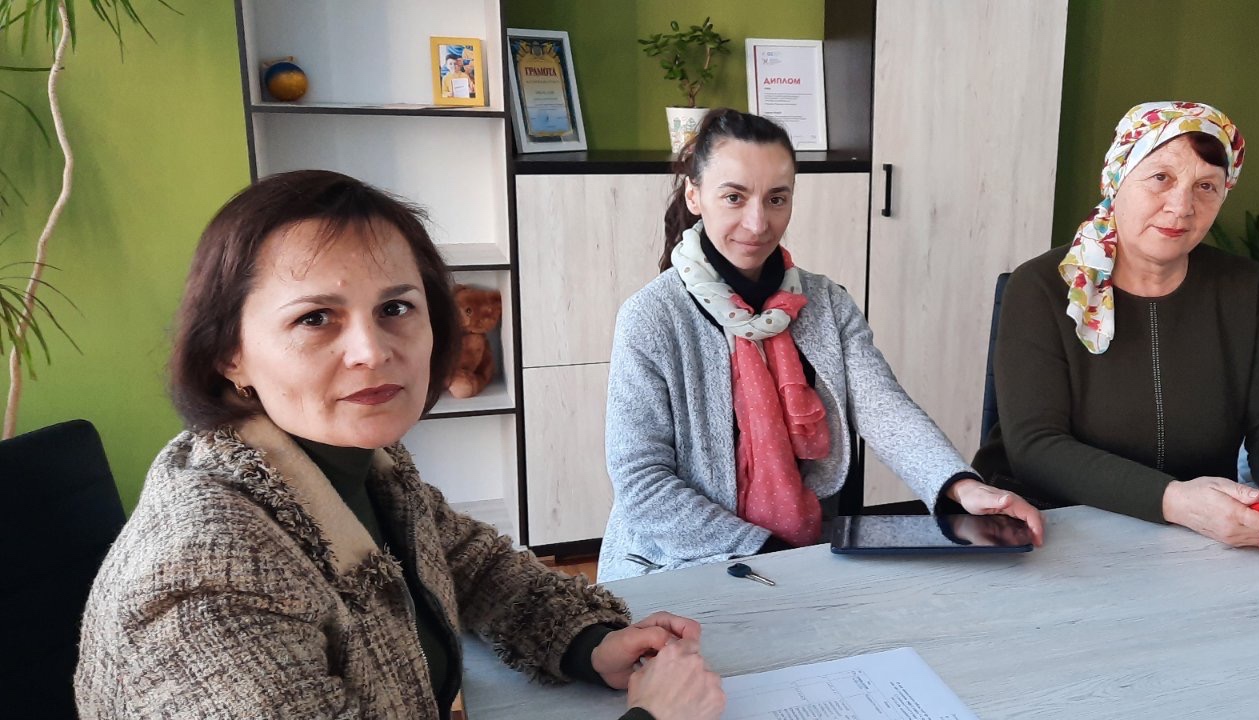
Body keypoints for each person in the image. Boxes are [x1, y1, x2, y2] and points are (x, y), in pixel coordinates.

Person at [75, 170, 724, 720]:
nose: (372, 351)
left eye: (395, 308)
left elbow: (472, 564)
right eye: (315, 318)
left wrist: (589, 643)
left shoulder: (356, 462)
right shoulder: (206, 582)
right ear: (230, 355)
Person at [599, 108, 1046, 581]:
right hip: (672, 563)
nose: (757, 222)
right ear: (695, 195)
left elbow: (883, 406)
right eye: (734, 197)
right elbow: (642, 483)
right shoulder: (650, 318)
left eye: (777, 198)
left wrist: (961, 486)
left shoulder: (826, 302)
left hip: (797, 553)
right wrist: (771, 554)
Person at [973, 101, 1259, 555]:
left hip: (1197, 543)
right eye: (1161, 178)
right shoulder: (1042, 286)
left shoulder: (1247, 288)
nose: (1182, 206)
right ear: (1116, 179)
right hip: (1048, 527)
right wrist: (1175, 501)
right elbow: (1036, 447)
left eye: (1206, 186)